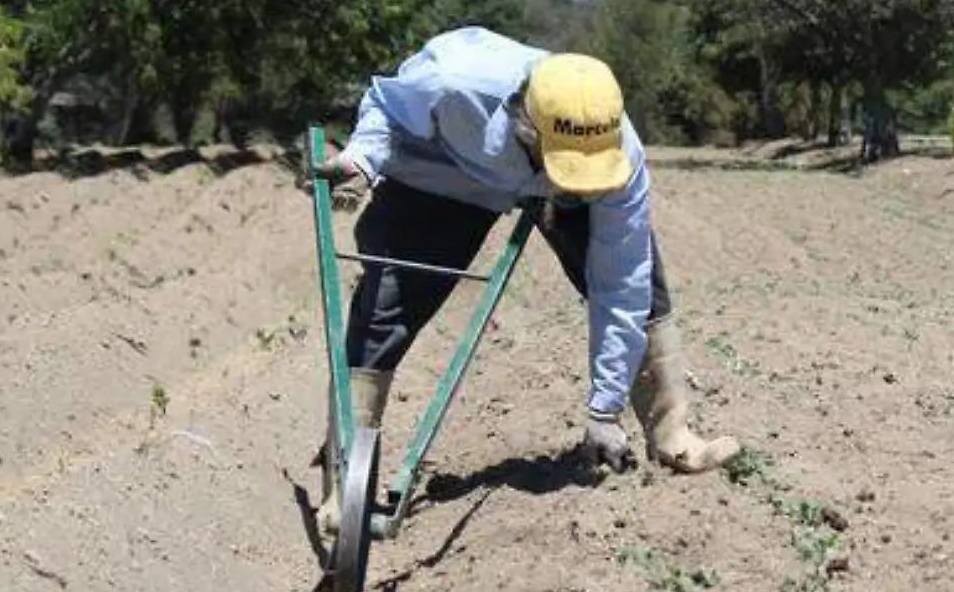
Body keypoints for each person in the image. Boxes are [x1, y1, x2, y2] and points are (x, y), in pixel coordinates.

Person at [307, 26, 742, 534]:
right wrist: (362, 158)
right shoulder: (453, 83)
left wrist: (603, 411)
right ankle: (345, 483)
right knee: (386, 308)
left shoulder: (614, 147)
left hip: (552, 175)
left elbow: (621, 284)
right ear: (526, 127)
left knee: (645, 291)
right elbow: (386, 104)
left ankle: (672, 435)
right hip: (447, 167)